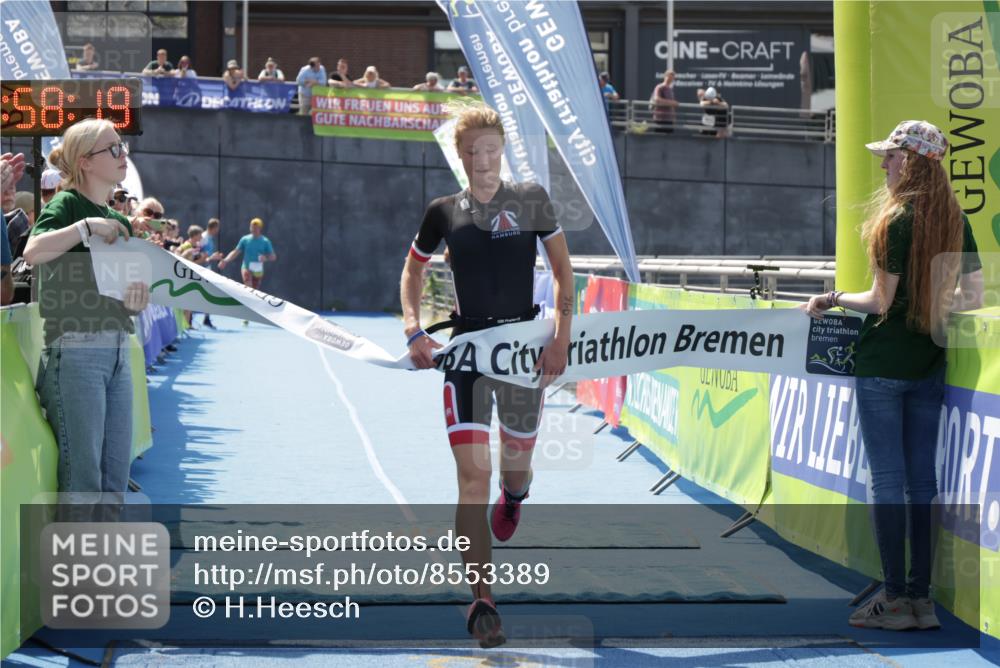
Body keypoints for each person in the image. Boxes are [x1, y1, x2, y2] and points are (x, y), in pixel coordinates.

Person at [400, 101, 573, 648]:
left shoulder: (531, 200)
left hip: (524, 354)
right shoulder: (443, 211)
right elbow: (412, 269)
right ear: (460, 154)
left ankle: (515, 495)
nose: (482, 158)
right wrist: (413, 329)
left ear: (503, 150)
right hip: (468, 357)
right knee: (471, 478)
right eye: (472, 150)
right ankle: (482, 599)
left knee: (512, 471)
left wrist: (561, 340)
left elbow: (565, 275)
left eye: (491, 148)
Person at [803, 120, 983, 632]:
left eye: (890, 156)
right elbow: (972, 298)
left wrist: (831, 297)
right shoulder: (956, 219)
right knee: (922, 483)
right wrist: (930, 309)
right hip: (929, 365)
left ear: (911, 161)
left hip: (882, 367)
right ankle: (922, 602)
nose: (883, 164)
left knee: (887, 481)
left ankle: (894, 600)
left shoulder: (894, 220)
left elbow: (879, 301)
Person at [22, 119, 150, 514]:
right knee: (84, 482)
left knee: (113, 482)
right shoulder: (66, 205)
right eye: (112, 148)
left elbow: (123, 296)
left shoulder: (120, 220)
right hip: (75, 352)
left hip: (115, 349)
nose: (122, 154)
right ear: (85, 161)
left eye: (121, 146)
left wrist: (136, 298)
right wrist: (84, 227)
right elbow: (33, 252)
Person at [219, 218, 276, 324]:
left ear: (260, 228)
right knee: (248, 287)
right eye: (252, 227)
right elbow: (236, 251)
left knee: (254, 292)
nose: (254, 229)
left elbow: (273, 256)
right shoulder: (245, 239)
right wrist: (226, 260)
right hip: (246, 267)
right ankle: (246, 314)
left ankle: (251, 312)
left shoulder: (265, 241)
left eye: (256, 227)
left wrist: (266, 258)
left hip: (258, 270)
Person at [199, 218, 224, 329]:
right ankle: (190, 320)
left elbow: (206, 255)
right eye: (217, 228)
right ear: (214, 227)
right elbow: (198, 255)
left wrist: (213, 257)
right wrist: (211, 258)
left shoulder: (209, 238)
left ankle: (206, 318)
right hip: (200, 270)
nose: (218, 231)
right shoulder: (204, 238)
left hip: (206, 268)